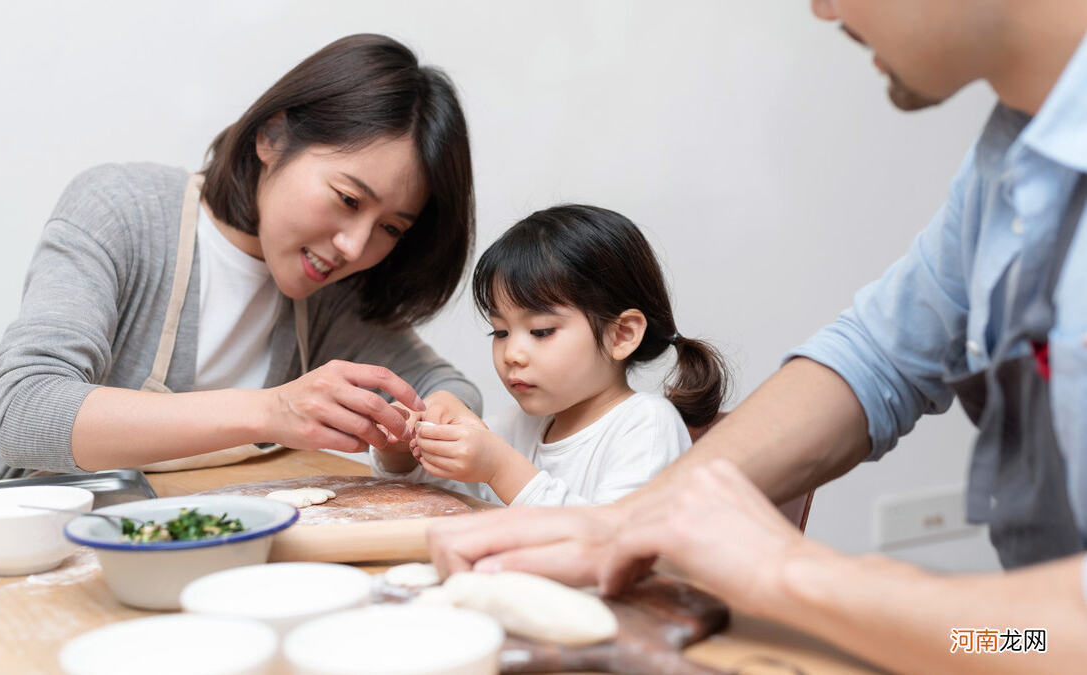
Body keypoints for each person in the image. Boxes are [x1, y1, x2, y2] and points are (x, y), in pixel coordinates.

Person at [428, 1, 1087, 673]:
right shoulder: (1012, 156)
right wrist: (621, 524)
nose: (821, 8)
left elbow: (1042, 643)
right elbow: (875, 359)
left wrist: (784, 571)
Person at [0, 33, 481, 481]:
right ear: (272, 137)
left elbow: (447, 388)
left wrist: (433, 420)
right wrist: (271, 411)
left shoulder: (329, 294)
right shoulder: (120, 210)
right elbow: (26, 413)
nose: (354, 246)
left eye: (390, 228)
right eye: (348, 199)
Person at [371, 205, 730, 506]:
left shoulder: (647, 426)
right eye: (500, 332)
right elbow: (453, 505)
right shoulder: (518, 425)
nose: (512, 353)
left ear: (621, 334)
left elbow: (610, 541)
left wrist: (499, 468)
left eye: (541, 331)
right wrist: (405, 451)